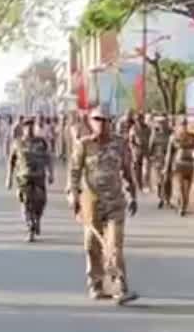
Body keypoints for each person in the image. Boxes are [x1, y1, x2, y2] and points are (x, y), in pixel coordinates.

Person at [67, 107, 139, 304]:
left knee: (114, 245)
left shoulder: (120, 144)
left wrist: (133, 195)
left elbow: (127, 171)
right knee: (92, 245)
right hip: (92, 203)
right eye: (97, 119)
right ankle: (96, 284)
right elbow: (74, 173)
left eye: (105, 120)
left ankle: (120, 287)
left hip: (115, 202)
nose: (102, 123)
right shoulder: (84, 145)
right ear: (90, 122)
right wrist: (73, 196)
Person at [7, 117, 55, 242]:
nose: (29, 128)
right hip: (24, 178)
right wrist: (9, 179)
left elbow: (48, 158)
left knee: (41, 201)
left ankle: (37, 219)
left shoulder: (41, 142)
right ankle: (30, 229)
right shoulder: (17, 143)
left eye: (31, 125)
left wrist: (51, 173)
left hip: (39, 176)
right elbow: (11, 162)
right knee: (26, 203)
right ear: (23, 127)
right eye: (26, 125)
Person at [165, 117, 194, 216]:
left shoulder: (193, 136)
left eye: (185, 124)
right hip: (179, 164)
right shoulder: (174, 137)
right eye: (182, 124)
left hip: (190, 164)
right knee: (181, 187)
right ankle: (182, 206)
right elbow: (169, 153)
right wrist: (167, 167)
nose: (184, 126)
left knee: (187, 188)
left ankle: (183, 204)